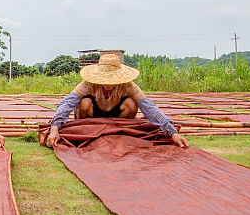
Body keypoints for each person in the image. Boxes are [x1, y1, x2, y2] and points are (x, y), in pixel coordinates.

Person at [42, 50, 188, 148]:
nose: (108, 84)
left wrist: (172, 132)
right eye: (104, 79)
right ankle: (86, 135)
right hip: (92, 120)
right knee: (84, 103)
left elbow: (148, 107)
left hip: (117, 119)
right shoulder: (88, 83)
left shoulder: (128, 85)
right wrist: (55, 128)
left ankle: (120, 135)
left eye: (111, 80)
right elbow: (68, 102)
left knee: (131, 104)